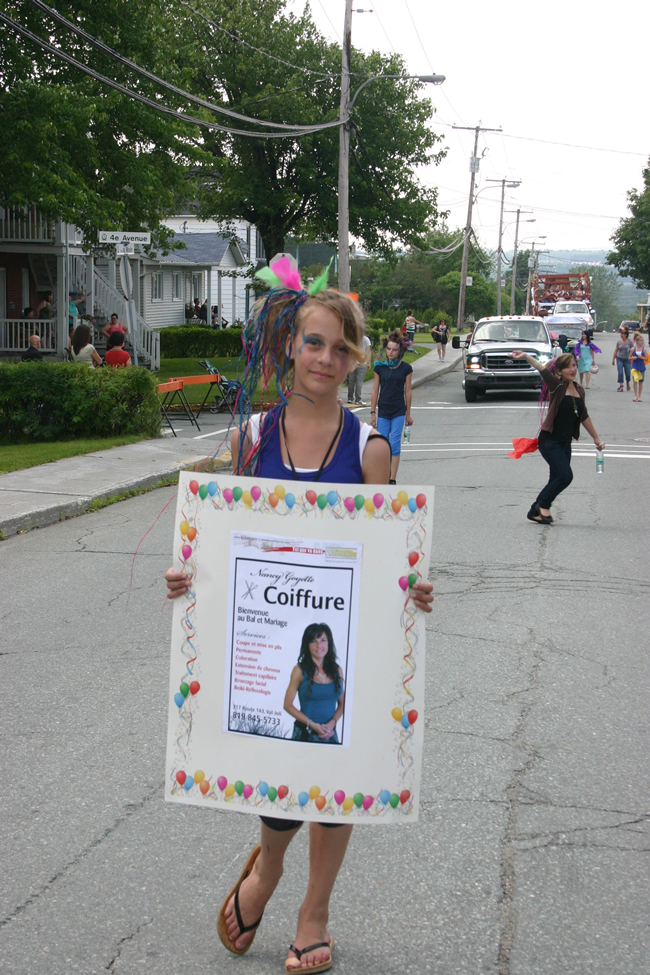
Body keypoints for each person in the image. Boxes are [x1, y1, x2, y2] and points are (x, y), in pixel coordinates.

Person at [164, 259, 433, 973]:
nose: (325, 358)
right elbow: (223, 544)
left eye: (341, 349)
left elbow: (389, 562)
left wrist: (414, 591)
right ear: (290, 344)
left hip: (338, 644)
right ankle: (269, 864)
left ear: (355, 362)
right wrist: (190, 575)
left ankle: (314, 910)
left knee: (338, 781)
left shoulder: (370, 451)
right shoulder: (248, 440)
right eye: (313, 342)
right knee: (280, 778)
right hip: (270, 640)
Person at [510, 351, 604, 524]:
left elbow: (584, 416)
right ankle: (543, 505)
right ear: (559, 371)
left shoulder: (579, 390)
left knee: (556, 478)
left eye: (574, 365)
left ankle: (534, 510)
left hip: (565, 443)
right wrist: (525, 357)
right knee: (565, 476)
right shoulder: (556, 385)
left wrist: (596, 439)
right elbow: (541, 369)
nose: (573, 369)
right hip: (549, 441)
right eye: (568, 366)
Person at [283, 624, 345, 743]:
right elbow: (287, 705)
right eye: (313, 641)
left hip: (330, 734)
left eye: (323, 640)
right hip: (305, 733)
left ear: (329, 643)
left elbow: (343, 703)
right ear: (307, 645)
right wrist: (312, 724)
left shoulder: (337, 670)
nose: (319, 645)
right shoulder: (299, 670)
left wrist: (333, 723)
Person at [370, 330, 413, 485]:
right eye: (388, 349)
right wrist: (373, 412)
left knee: (394, 443)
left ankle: (392, 478)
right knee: (381, 444)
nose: (391, 352)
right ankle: (381, 475)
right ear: (385, 349)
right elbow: (375, 391)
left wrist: (408, 414)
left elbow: (407, 391)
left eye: (394, 349)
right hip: (383, 410)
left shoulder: (406, 369)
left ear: (400, 351)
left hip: (398, 410)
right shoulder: (379, 368)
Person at [346, 325, 371, 406]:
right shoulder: (366, 340)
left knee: (351, 381)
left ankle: (350, 398)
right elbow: (368, 352)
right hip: (362, 362)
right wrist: (368, 362)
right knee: (359, 381)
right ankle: (358, 399)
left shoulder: (353, 339)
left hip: (353, 362)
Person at [612, 326, 633, 392]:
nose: (621, 335)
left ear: (626, 335)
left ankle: (627, 382)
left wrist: (630, 351)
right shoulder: (619, 342)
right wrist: (613, 359)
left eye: (622, 334)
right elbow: (616, 351)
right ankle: (621, 386)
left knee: (628, 373)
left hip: (627, 359)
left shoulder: (630, 342)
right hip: (620, 358)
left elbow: (633, 350)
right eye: (621, 334)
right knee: (620, 372)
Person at [630, 331, 647, 402]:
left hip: (641, 366)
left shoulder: (644, 349)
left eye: (642, 340)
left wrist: (642, 357)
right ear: (637, 341)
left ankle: (639, 396)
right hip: (635, 366)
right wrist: (633, 358)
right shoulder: (633, 349)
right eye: (641, 340)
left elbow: (646, 358)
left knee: (640, 382)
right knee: (635, 381)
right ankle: (635, 395)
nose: (642, 342)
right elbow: (629, 357)